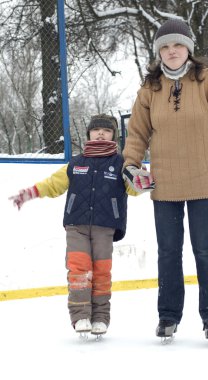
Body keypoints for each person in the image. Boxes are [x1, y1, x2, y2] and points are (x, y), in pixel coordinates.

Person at [122, 18, 208, 341]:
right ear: (159, 53)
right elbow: (137, 133)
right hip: (164, 183)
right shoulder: (150, 88)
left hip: (204, 180)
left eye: (178, 45)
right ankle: (168, 316)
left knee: (205, 248)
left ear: (189, 48)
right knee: (168, 251)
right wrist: (131, 164)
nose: (172, 51)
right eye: (165, 47)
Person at [9, 114, 137, 338]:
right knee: (79, 269)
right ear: (88, 134)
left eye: (106, 131)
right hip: (76, 226)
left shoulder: (120, 164)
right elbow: (53, 184)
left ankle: (100, 318)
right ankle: (80, 316)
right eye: (95, 130)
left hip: (105, 227)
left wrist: (147, 181)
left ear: (113, 136)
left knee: (101, 272)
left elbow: (134, 188)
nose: (100, 133)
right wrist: (30, 193)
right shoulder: (76, 163)